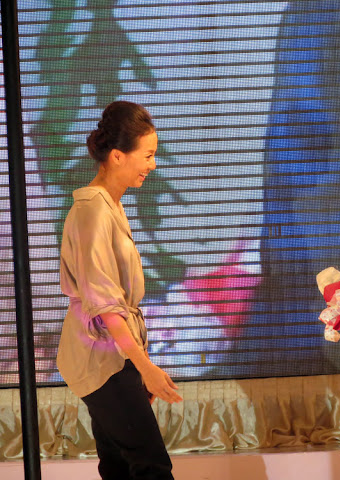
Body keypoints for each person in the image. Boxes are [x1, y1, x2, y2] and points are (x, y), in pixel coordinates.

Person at [56, 100, 183, 480]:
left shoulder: (109, 205)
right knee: (150, 466)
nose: (152, 165)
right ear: (116, 156)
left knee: (120, 466)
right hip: (100, 358)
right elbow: (106, 304)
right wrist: (146, 369)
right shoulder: (93, 210)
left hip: (112, 355)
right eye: (148, 155)